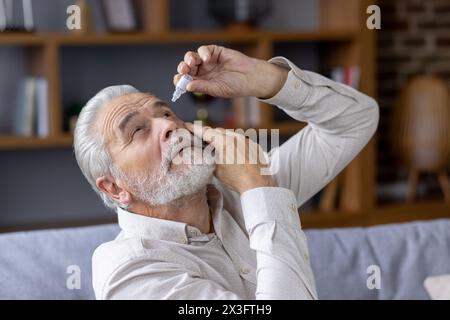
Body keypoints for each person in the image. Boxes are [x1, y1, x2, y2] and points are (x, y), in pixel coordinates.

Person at [73, 44, 379, 299]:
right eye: (138, 130)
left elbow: (356, 118)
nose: (169, 125)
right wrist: (258, 189)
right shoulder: (130, 273)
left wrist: (263, 80)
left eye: (165, 113)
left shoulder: (235, 192)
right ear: (114, 188)